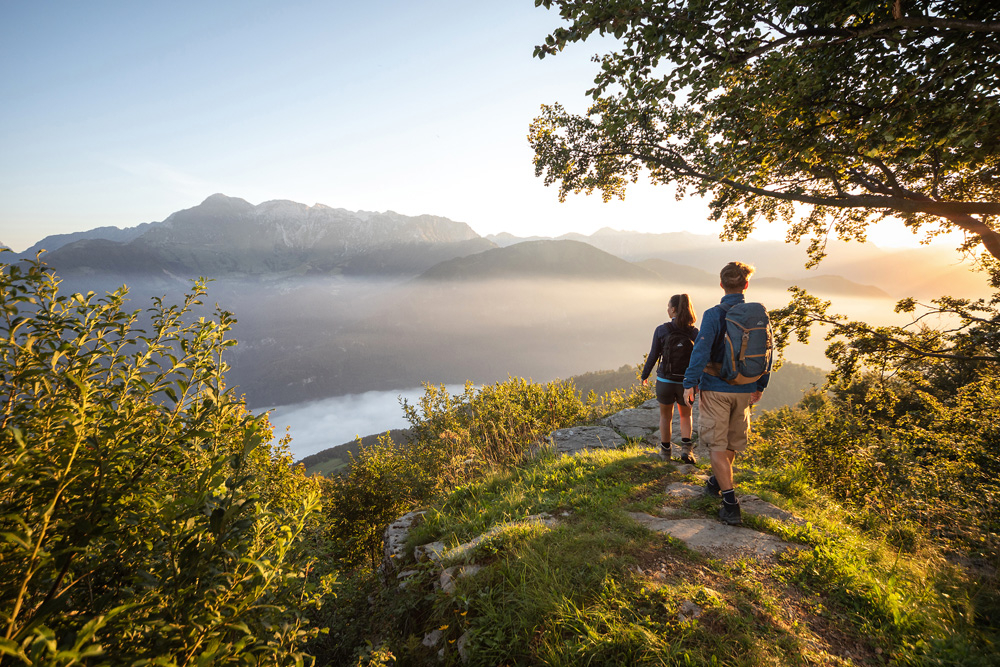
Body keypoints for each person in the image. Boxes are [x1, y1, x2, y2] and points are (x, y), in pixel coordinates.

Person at [683, 262, 769, 526]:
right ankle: (716, 481)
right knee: (731, 443)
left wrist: (690, 382)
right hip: (744, 388)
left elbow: (701, 351)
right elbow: (766, 351)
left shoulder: (712, 315)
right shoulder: (758, 315)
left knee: (717, 446)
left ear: (721, 284)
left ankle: (730, 502)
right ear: (746, 285)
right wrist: (759, 385)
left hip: (716, 388)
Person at [640, 294, 698, 463]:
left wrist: (645, 375)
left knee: (666, 417)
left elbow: (653, 355)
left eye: (668, 306)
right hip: (686, 383)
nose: (667, 309)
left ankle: (665, 452)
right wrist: (697, 382)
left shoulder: (662, 329)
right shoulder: (694, 332)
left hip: (665, 381)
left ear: (673, 309)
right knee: (686, 416)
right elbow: (700, 358)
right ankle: (687, 451)